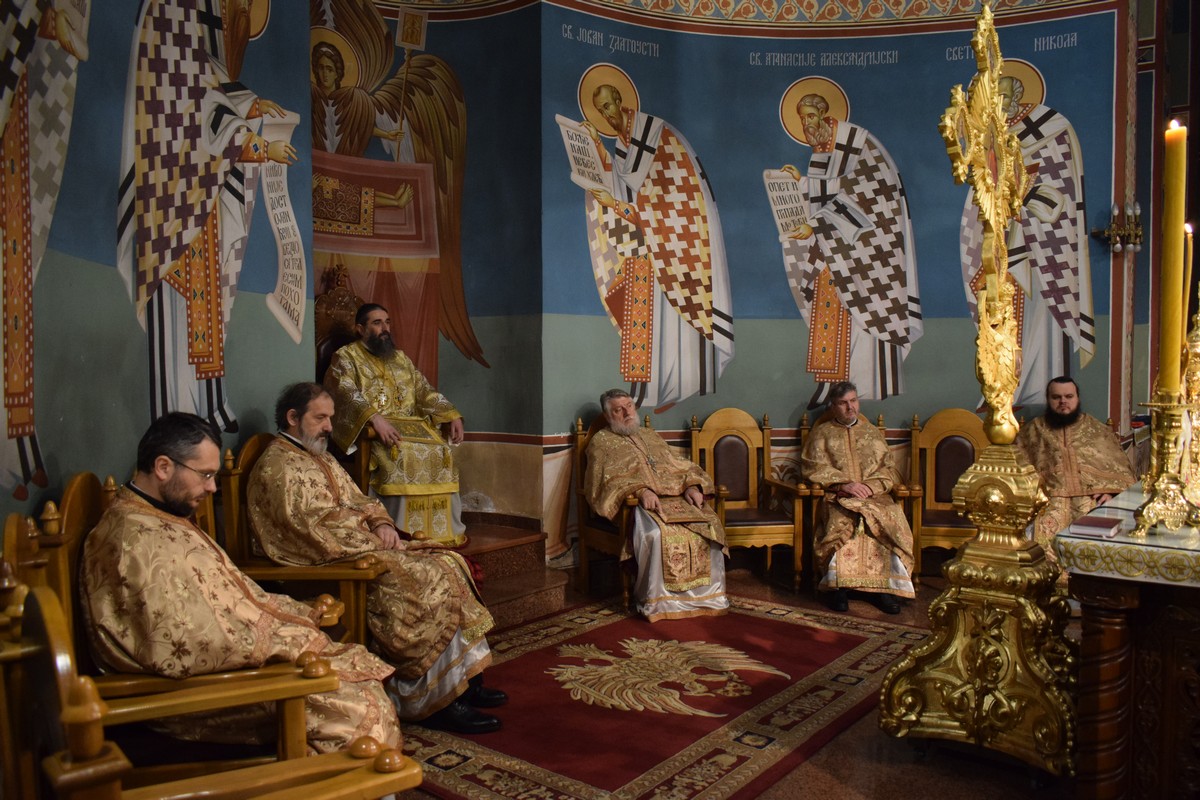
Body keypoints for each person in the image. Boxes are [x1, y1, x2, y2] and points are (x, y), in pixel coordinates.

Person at [80, 412, 401, 754]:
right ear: (163, 467)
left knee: (362, 686)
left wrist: (286, 619)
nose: (212, 488)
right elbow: (176, 643)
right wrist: (281, 639)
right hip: (197, 695)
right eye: (205, 475)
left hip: (233, 664)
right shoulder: (130, 541)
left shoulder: (158, 514)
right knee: (360, 712)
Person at [248, 382, 505, 734]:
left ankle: (465, 680)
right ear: (293, 417)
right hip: (331, 564)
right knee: (426, 578)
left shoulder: (320, 456)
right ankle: (434, 701)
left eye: (331, 418)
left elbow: (360, 500)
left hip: (360, 547)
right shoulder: (277, 466)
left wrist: (382, 523)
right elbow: (303, 534)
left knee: (449, 562)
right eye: (320, 418)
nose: (329, 427)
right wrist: (369, 542)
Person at [576, 74, 734, 411]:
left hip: (677, 251)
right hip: (644, 251)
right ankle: (648, 391)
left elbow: (672, 202)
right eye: (601, 111)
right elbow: (627, 190)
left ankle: (677, 385)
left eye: (609, 106)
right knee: (645, 320)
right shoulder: (625, 146)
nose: (607, 114)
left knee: (674, 322)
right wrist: (597, 149)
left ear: (621, 101)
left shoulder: (661, 137)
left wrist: (620, 206)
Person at [777, 91, 922, 405]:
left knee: (865, 315)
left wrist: (814, 223)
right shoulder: (823, 150)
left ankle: (867, 385)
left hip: (868, 257)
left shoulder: (858, 144)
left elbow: (867, 195)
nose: (807, 124)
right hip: (832, 251)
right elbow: (828, 195)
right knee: (827, 310)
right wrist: (802, 185)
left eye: (811, 116)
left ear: (825, 114)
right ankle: (830, 384)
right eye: (802, 119)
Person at [960, 70, 1092, 407]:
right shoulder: (987, 137)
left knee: (1038, 317)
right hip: (1002, 242)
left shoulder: (1050, 128)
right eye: (993, 99)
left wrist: (1023, 201)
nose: (999, 105)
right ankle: (1000, 387)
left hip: (1039, 248)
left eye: (1004, 97)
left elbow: (1059, 191)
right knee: (996, 307)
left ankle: (1036, 387)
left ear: (1017, 97)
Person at [324, 303, 467, 546]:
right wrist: (373, 418)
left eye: (387, 322)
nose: (385, 328)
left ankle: (442, 533)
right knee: (401, 452)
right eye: (377, 323)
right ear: (360, 329)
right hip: (375, 430)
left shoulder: (400, 358)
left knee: (441, 449)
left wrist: (451, 414)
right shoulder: (346, 357)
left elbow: (423, 390)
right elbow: (345, 392)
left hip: (413, 428)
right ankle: (399, 530)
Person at [583, 388, 729, 622]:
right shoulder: (600, 442)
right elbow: (603, 483)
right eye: (618, 410)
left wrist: (692, 486)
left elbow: (678, 464)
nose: (627, 413)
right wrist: (640, 491)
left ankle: (708, 597)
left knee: (709, 528)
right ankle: (658, 601)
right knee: (656, 535)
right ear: (608, 415)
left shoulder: (650, 435)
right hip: (637, 505)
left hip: (678, 499)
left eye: (629, 406)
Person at [800, 381, 914, 614]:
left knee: (885, 519)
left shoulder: (872, 433)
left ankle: (883, 590)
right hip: (839, 496)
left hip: (875, 497)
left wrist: (871, 487)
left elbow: (889, 468)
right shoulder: (821, 434)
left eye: (853, 401)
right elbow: (812, 467)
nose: (850, 407)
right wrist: (845, 484)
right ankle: (839, 589)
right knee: (846, 521)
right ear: (833, 406)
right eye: (843, 403)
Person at [1015, 376, 1136, 560]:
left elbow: (1122, 471)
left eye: (1069, 396)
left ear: (1077, 398)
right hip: (1047, 501)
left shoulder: (1097, 430)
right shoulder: (1033, 431)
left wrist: (1111, 493)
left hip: (1090, 500)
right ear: (1048, 399)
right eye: (1056, 397)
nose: (1063, 401)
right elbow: (1017, 470)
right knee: (1039, 542)